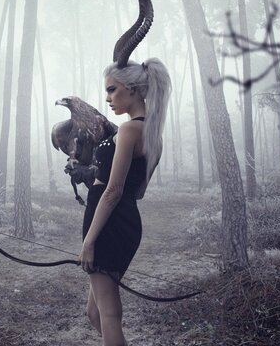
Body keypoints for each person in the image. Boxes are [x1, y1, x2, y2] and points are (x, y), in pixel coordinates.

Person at [78, 58, 171, 345]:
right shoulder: (153, 135)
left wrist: (89, 241)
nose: (107, 98)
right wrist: (94, 176)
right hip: (124, 220)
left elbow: (114, 190)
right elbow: (137, 190)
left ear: (132, 89)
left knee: (108, 314)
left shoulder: (129, 130)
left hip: (108, 222)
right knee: (95, 313)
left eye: (112, 90)